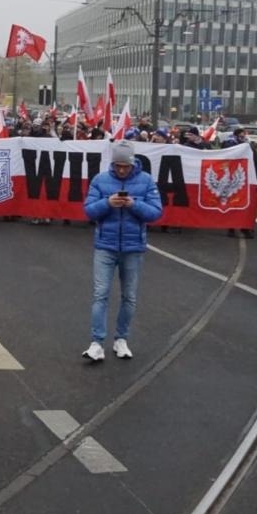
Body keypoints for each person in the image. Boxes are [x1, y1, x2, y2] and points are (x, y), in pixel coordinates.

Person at [81, 142, 163, 362]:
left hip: (132, 247)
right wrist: (107, 203)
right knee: (100, 294)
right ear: (113, 163)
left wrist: (133, 204)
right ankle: (97, 342)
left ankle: (121, 339)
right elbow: (88, 211)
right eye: (118, 165)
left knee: (129, 297)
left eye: (125, 165)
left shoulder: (146, 181)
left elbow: (156, 212)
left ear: (132, 162)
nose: (122, 170)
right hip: (105, 246)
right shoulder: (100, 180)